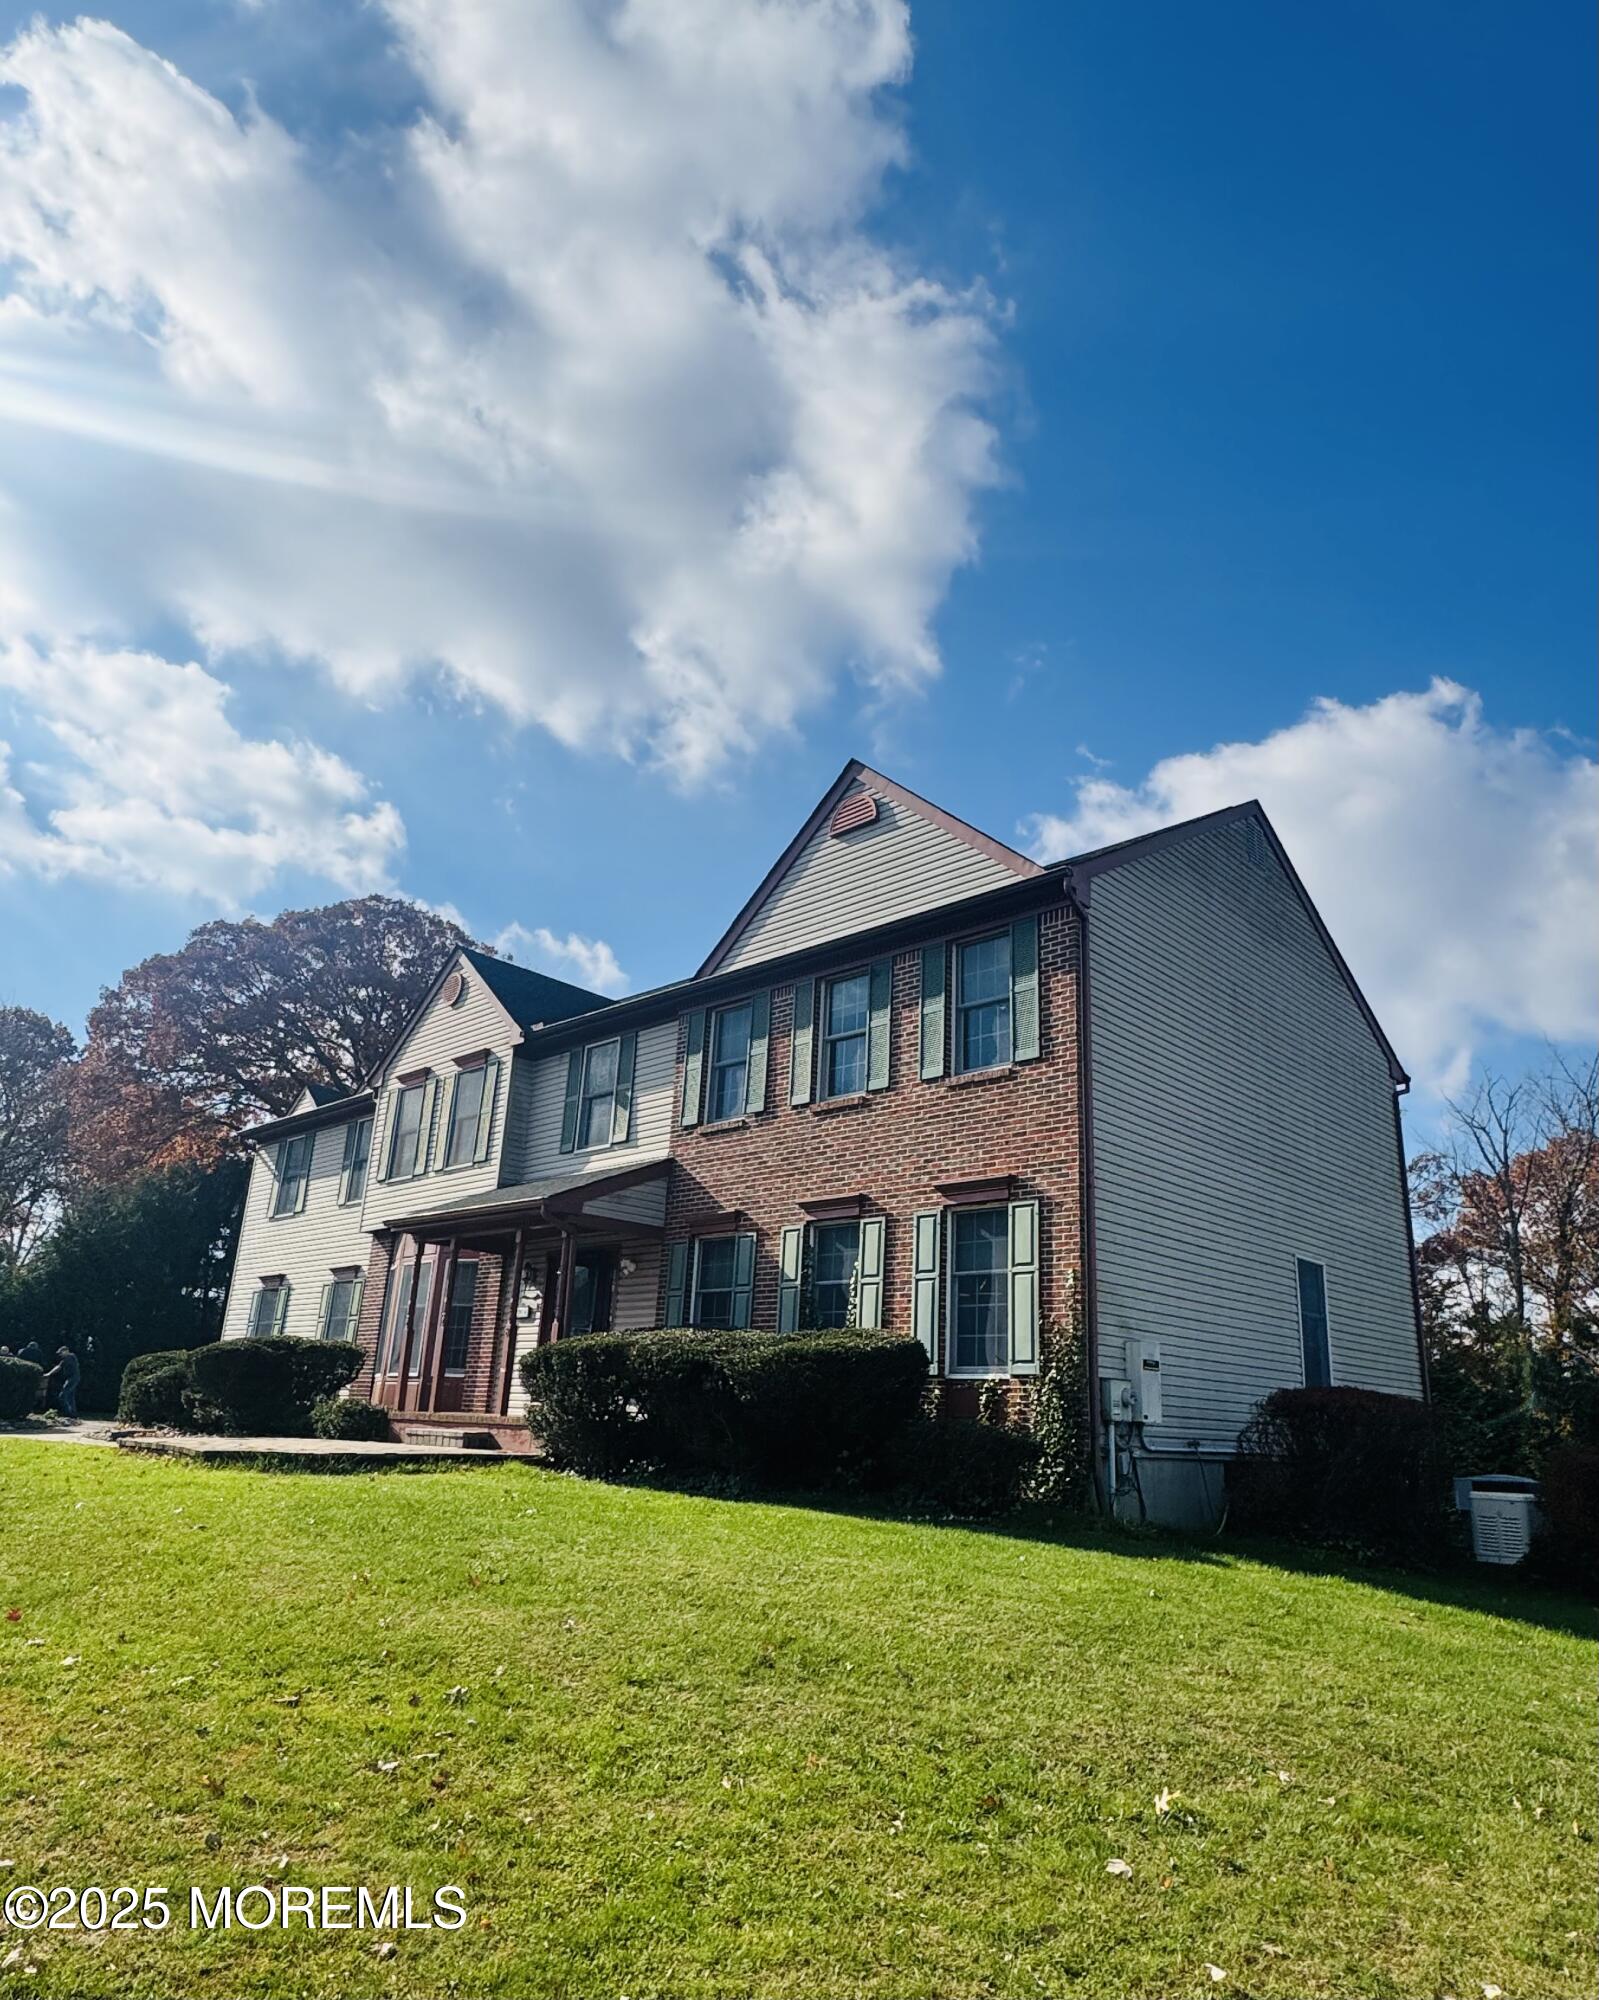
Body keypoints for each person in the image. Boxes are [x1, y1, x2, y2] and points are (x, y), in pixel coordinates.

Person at [44, 1344, 80, 1420]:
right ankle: (73, 1414)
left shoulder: (70, 1356)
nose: (60, 1355)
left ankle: (69, 1413)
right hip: (72, 1378)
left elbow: (58, 1367)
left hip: (72, 1378)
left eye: (61, 1353)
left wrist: (49, 1374)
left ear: (66, 1351)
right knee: (70, 1396)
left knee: (63, 1395)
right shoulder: (70, 1357)